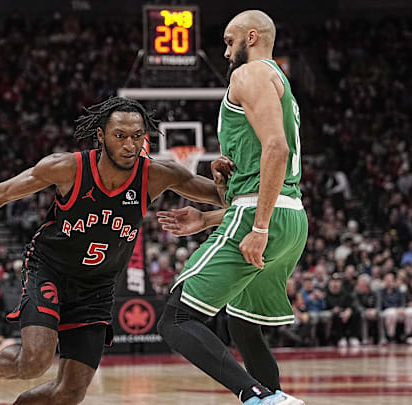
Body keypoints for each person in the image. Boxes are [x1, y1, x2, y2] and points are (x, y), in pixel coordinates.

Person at [0, 96, 226, 404]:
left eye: (137, 136)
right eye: (120, 136)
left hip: (97, 288)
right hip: (50, 271)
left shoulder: (157, 175)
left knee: (70, 394)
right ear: (100, 136)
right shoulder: (67, 168)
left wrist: (223, 182)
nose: (130, 145)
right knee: (34, 361)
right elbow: (2, 192)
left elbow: (225, 197)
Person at [155, 10, 306, 405]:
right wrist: (209, 215)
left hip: (262, 218)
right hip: (290, 217)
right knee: (243, 322)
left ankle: (258, 398)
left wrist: (257, 228)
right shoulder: (279, 82)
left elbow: (277, 148)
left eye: (228, 41)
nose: (225, 53)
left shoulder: (250, 74)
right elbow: (267, 166)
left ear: (251, 37)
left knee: (176, 320)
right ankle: (273, 396)